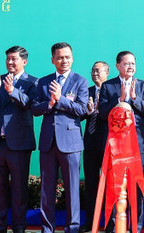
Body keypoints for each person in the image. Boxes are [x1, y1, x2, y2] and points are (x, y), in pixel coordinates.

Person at [32, 42, 89, 233]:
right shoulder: (43, 82)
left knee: (72, 188)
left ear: (72, 58)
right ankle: (47, 228)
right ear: (53, 60)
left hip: (71, 143)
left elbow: (82, 110)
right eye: (60, 57)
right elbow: (34, 108)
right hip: (48, 143)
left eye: (67, 57)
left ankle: (72, 227)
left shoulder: (80, 81)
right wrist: (49, 103)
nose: (64, 60)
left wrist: (61, 100)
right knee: (47, 190)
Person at [0, 45, 37, 233]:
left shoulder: (33, 82)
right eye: (8, 59)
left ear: (24, 61)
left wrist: (12, 91)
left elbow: (30, 105)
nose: (10, 62)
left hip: (19, 143)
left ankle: (19, 226)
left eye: (14, 59)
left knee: (19, 189)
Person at [98, 51, 144, 233]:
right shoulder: (108, 86)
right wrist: (120, 101)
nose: (130, 67)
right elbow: (102, 113)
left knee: (135, 187)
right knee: (115, 186)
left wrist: (135, 99)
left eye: (133, 64)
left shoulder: (143, 86)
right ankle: (113, 226)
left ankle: (135, 227)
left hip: (137, 145)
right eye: (126, 63)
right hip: (115, 146)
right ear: (117, 66)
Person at [82, 61, 110, 233]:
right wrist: (87, 111)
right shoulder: (87, 92)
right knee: (91, 185)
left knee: (108, 185)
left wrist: (99, 112)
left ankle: (109, 223)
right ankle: (90, 223)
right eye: (93, 70)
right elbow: (77, 117)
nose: (95, 73)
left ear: (107, 72)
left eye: (98, 71)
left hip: (107, 144)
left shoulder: (112, 91)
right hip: (90, 144)